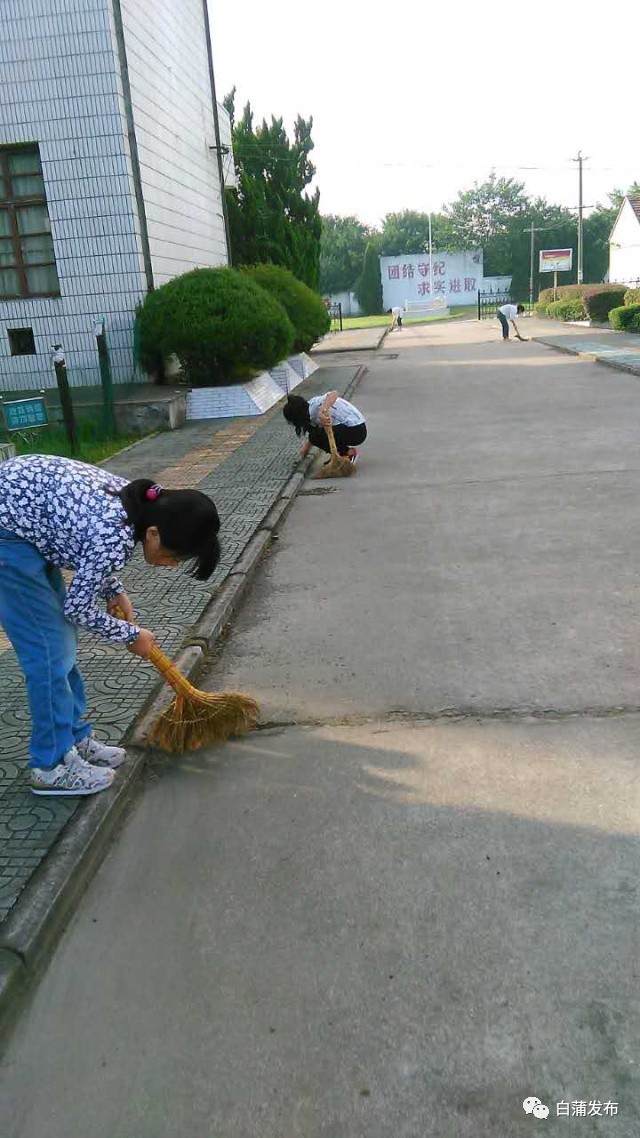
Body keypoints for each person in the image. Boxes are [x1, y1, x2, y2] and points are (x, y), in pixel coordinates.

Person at [0, 455, 221, 797]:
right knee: (49, 654)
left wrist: (114, 589)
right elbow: (78, 607)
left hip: (26, 523)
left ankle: (73, 739)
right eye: (174, 556)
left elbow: (83, 542)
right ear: (153, 534)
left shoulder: (136, 503)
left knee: (61, 646)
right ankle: (51, 765)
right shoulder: (115, 532)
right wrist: (131, 635)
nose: (172, 565)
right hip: (9, 536)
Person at [283, 392, 367, 463]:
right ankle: (338, 455)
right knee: (315, 434)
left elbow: (333, 394)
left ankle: (348, 453)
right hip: (353, 428)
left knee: (315, 436)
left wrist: (322, 411)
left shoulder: (316, 406)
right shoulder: (310, 408)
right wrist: (306, 449)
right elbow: (315, 431)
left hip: (356, 430)